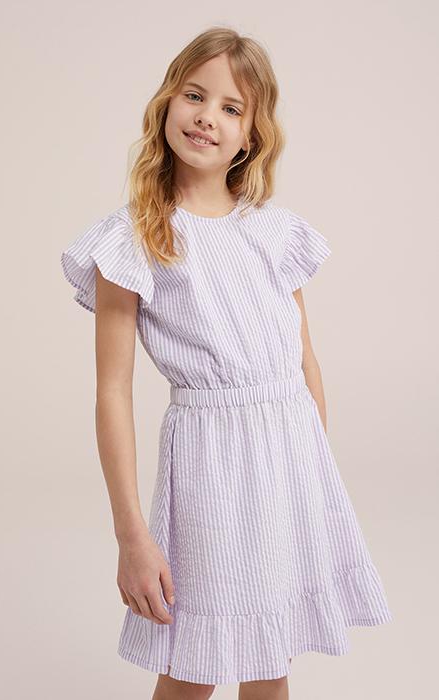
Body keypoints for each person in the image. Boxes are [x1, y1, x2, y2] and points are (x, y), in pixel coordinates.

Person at [60, 27, 392, 700]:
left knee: (271, 660)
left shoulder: (274, 232)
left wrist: (311, 478)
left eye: (231, 107)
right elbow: (112, 393)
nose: (207, 116)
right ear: (166, 103)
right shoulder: (134, 239)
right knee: (194, 667)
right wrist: (131, 535)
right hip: (208, 468)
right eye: (194, 95)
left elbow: (303, 362)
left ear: (250, 136)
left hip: (288, 467)